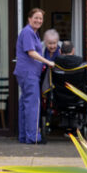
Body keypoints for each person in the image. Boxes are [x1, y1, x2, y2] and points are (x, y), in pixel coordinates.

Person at [14, 8, 56, 144]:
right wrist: (48, 62)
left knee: (24, 104)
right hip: (28, 73)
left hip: (28, 73)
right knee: (33, 104)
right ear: (29, 19)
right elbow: (31, 53)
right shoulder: (27, 32)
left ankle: (24, 136)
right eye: (36, 18)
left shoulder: (34, 33)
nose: (38, 21)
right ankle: (32, 137)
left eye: (40, 19)